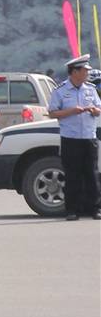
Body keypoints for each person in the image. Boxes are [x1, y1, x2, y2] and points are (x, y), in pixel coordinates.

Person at [46, 55, 101, 220]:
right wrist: (71, 111)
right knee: (72, 175)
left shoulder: (90, 89)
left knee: (92, 174)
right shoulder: (61, 91)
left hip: (89, 137)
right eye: (84, 70)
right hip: (71, 138)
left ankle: (95, 208)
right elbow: (52, 113)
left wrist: (94, 111)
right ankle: (72, 210)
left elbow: (99, 108)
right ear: (75, 72)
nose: (87, 73)